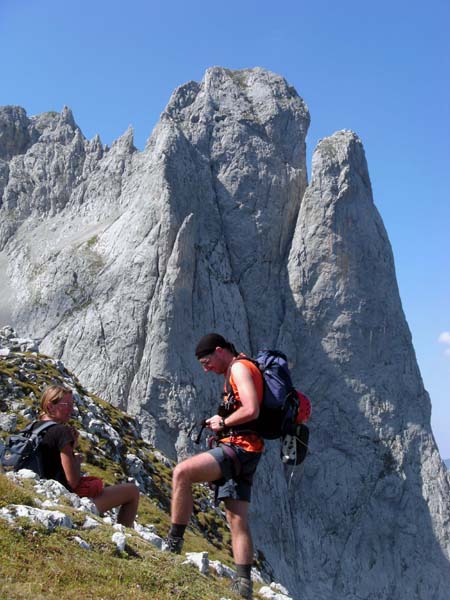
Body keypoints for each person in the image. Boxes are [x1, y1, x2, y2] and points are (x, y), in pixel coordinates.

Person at [167, 333, 264, 600]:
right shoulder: (241, 367)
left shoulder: (240, 368)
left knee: (182, 473)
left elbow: (252, 408)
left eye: (207, 362)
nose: (205, 368)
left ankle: (173, 545)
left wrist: (223, 423)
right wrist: (221, 419)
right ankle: (243, 585)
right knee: (237, 518)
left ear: (220, 351)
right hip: (249, 451)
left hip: (239, 448)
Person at [38, 384, 139, 527]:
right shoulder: (62, 431)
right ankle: (128, 537)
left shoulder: (33, 428)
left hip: (39, 491)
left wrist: (70, 450)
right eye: (66, 405)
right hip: (63, 501)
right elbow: (73, 482)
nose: (71, 409)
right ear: (50, 407)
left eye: (72, 405)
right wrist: (76, 460)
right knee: (132, 491)